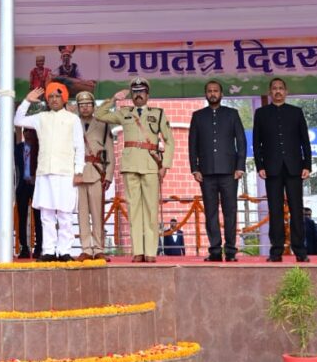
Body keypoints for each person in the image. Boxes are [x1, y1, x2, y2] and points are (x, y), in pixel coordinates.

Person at [95, 78, 175, 263]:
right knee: (134, 210)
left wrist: (165, 165)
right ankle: (138, 251)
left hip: (150, 165)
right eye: (135, 92)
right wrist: (114, 99)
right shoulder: (124, 113)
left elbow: (169, 141)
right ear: (131, 95)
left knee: (151, 210)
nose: (138, 95)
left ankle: (151, 252)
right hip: (130, 165)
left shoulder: (158, 113)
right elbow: (99, 114)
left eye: (142, 92)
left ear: (147, 94)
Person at [14, 81, 85, 261]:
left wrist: (79, 171)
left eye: (57, 96)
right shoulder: (41, 117)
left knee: (65, 214)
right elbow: (18, 120)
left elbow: (79, 146)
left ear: (64, 99)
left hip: (66, 173)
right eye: (51, 96)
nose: (54, 99)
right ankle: (48, 251)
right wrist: (27, 101)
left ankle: (64, 251)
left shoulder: (73, 119)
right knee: (46, 214)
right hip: (44, 172)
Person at [252, 77, 312, 262]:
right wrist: (260, 166)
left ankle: (300, 251)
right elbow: (256, 142)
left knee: (296, 209)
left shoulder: (296, 112)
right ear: (270, 92)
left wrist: (307, 165)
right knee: (275, 210)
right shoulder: (261, 113)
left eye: (280, 88)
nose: (277, 91)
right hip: (272, 169)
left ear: (286, 92)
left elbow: (305, 141)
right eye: (274, 88)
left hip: (295, 168)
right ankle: (276, 251)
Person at [188, 79, 246, 262]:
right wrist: (194, 168)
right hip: (206, 173)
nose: (212, 93)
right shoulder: (198, 116)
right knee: (211, 213)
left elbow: (241, 142)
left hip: (230, 172)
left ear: (221, 94)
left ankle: (230, 251)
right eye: (209, 91)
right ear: (206, 94)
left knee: (230, 212)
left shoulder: (232, 114)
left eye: (216, 91)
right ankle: (214, 250)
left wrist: (240, 166)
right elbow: (192, 145)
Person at [75, 91, 115, 260]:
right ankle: (86, 248)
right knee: (82, 214)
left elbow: (110, 151)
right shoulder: (72, 123)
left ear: (93, 106)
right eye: (81, 105)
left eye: (88, 104)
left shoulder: (103, 124)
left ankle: (98, 248)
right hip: (78, 173)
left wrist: (109, 175)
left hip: (97, 172)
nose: (85, 108)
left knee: (98, 214)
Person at [15, 127, 42, 259]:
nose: (28, 134)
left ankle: (39, 247)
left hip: (36, 185)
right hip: (22, 186)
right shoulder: (18, 148)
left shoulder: (40, 147)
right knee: (22, 218)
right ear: (23, 133)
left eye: (31, 131)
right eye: (26, 131)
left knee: (38, 217)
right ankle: (24, 248)